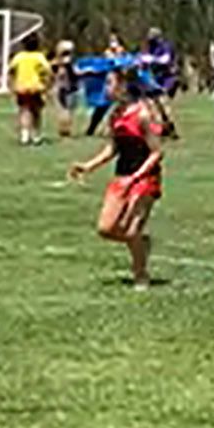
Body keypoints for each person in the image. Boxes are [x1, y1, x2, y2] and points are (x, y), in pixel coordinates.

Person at [68, 66, 168, 288]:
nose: (106, 88)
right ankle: (142, 244)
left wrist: (136, 177)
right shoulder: (115, 115)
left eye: (110, 83)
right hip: (122, 176)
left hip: (145, 178)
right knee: (106, 229)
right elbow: (113, 148)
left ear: (123, 86)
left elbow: (157, 152)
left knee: (131, 229)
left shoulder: (143, 114)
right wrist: (88, 166)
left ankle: (141, 275)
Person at [9, 31, 53, 146]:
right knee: (36, 112)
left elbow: (11, 70)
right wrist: (47, 84)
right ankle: (36, 135)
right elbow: (48, 71)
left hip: (21, 87)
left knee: (24, 111)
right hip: (36, 87)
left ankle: (25, 135)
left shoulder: (19, 57)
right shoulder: (39, 57)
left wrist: (13, 84)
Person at [53, 39, 80, 138]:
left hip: (68, 87)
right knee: (66, 109)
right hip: (67, 87)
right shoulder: (66, 62)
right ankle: (65, 129)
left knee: (65, 109)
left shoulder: (60, 62)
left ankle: (64, 128)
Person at [144, 26, 180, 101]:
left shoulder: (165, 45)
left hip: (167, 76)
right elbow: (146, 57)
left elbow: (166, 59)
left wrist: (153, 59)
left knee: (162, 98)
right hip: (155, 76)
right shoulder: (151, 47)